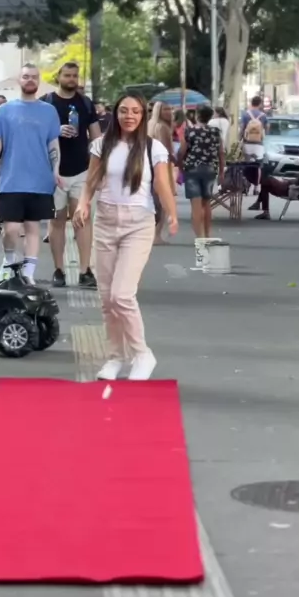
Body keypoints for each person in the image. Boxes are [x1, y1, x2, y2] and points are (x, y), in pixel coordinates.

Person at [74, 93, 178, 381]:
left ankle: (142, 354)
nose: (129, 116)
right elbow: (91, 181)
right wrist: (83, 204)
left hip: (138, 224)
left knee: (122, 295)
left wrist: (172, 214)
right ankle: (116, 357)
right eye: (123, 111)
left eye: (135, 111)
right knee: (107, 299)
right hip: (106, 222)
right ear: (115, 114)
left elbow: (162, 183)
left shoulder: (153, 148)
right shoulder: (102, 144)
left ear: (143, 115)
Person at [0, 63, 61, 284]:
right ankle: (8, 262)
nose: (30, 80)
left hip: (40, 181)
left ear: (38, 80)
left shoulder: (49, 111)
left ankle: (28, 273)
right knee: (11, 229)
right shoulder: (5, 111)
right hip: (11, 180)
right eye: (26, 76)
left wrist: (56, 170)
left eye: (34, 76)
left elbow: (53, 144)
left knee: (33, 227)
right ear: (19, 80)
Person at [44, 62, 101, 288]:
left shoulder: (85, 103)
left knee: (82, 219)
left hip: (81, 170)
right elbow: (37, 134)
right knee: (56, 220)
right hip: (54, 171)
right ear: (58, 77)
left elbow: (96, 138)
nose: (71, 79)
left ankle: (85, 270)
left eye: (75, 76)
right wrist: (56, 131)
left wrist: (99, 169)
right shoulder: (47, 103)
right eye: (67, 75)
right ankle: (58, 269)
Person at [178, 104, 224, 238]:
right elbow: (221, 153)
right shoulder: (216, 132)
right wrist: (221, 171)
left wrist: (180, 166)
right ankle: (207, 234)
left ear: (197, 115)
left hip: (192, 169)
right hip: (210, 169)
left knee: (196, 206)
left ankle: (200, 237)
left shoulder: (190, 131)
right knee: (206, 204)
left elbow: (182, 151)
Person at [249, 149, 299, 220]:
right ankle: (263, 210)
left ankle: (261, 207)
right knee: (265, 185)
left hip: (290, 189)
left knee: (267, 179)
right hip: (291, 188)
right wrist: (290, 180)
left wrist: (288, 182)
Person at [148, 101, 176, 244]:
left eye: (169, 109)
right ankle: (156, 235)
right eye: (165, 109)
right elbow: (167, 150)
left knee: (153, 199)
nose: (169, 112)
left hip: (149, 165)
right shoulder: (163, 127)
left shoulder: (150, 124)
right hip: (162, 165)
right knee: (163, 199)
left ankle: (151, 233)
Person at [241, 95, 268, 160]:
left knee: (247, 162)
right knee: (258, 162)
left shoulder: (245, 114)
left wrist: (240, 139)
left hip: (247, 142)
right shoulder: (263, 115)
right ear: (260, 104)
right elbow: (267, 127)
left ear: (251, 103)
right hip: (258, 143)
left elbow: (242, 128)